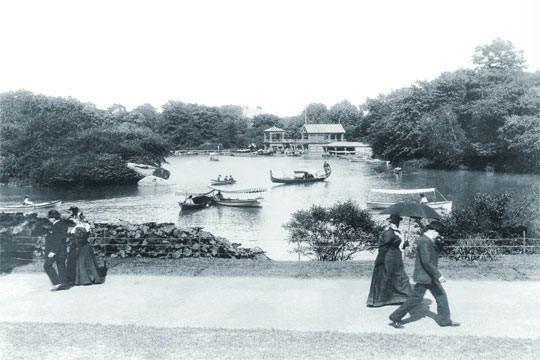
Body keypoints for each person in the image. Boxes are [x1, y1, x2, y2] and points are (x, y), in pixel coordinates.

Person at [389, 220, 460, 328]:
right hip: (424, 276)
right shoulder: (423, 241)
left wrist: (439, 244)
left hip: (429, 276)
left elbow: (433, 255)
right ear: (432, 230)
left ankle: (445, 320)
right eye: (438, 232)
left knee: (441, 296)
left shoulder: (429, 240)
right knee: (415, 299)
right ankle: (395, 317)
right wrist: (438, 275)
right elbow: (426, 261)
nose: (439, 235)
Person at [367, 214, 412, 307]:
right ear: (391, 222)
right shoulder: (388, 233)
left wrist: (404, 244)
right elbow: (383, 247)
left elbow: (399, 245)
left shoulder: (398, 232)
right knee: (386, 276)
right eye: (395, 221)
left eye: (398, 221)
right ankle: (380, 300)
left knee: (400, 276)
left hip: (396, 257)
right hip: (388, 257)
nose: (397, 223)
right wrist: (380, 260)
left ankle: (402, 297)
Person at [43, 210, 70, 291]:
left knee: (47, 265)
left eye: (50, 218)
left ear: (54, 218)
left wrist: (53, 251)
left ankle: (57, 283)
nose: (49, 219)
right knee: (61, 265)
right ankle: (64, 284)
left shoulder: (56, 226)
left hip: (55, 250)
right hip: (62, 250)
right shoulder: (62, 224)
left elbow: (58, 239)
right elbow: (62, 238)